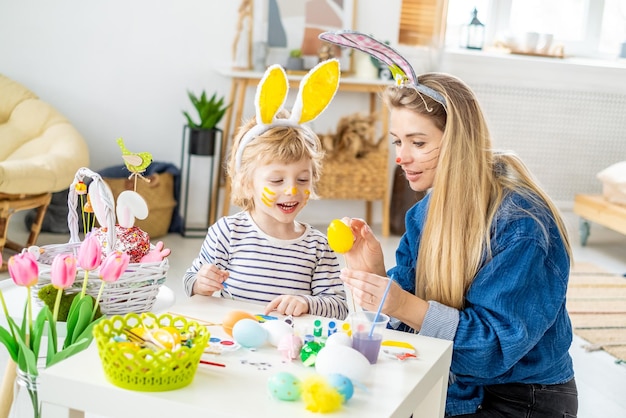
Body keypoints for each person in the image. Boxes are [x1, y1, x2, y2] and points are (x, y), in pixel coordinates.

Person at [320, 31, 578, 417]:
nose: (401, 157)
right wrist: (376, 275)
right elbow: (414, 311)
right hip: (455, 384)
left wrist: (403, 304)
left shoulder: (522, 227)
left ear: (459, 139)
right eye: (396, 142)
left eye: (418, 143)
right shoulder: (424, 213)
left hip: (521, 399)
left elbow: (491, 350)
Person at [183, 59, 348, 320]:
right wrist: (200, 283)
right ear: (247, 183)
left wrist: (306, 303)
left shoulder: (317, 246)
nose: (292, 190)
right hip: (236, 340)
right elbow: (190, 281)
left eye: (303, 180)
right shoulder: (227, 233)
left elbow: (339, 306)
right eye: (277, 181)